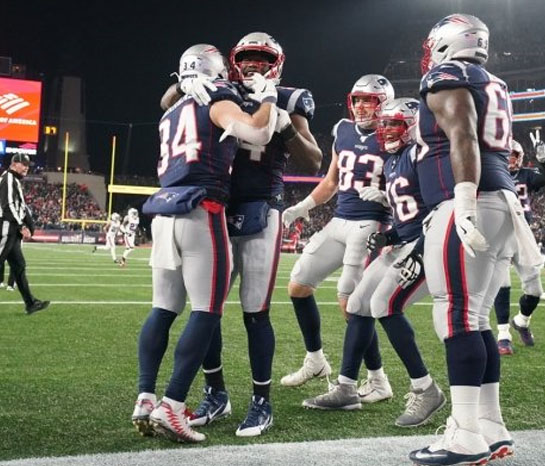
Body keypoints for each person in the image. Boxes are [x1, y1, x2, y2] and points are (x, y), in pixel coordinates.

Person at [166, 32, 322, 436]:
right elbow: (166, 104)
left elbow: (314, 160)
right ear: (234, 61)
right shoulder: (219, 89)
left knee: (255, 311)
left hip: (260, 208)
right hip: (217, 207)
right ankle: (216, 393)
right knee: (208, 309)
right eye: (247, 57)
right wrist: (183, 84)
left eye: (261, 58)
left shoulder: (287, 98)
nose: (253, 64)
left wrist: (286, 127)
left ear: (276, 63)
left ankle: (261, 401)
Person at [408, 14, 540, 465]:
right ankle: (490, 425)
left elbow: (462, 133)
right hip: (501, 201)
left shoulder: (447, 76)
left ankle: (464, 434)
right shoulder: (493, 82)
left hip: (467, 199)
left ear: (445, 43)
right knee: (478, 317)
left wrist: (463, 201)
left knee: (457, 316)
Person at [131, 43, 278, 443]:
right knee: (207, 310)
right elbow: (258, 131)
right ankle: (173, 405)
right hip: (202, 208)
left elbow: (171, 100)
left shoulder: (171, 110)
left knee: (163, 308)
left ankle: (145, 396)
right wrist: (267, 97)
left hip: (164, 211)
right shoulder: (216, 96)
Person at [302, 98, 446, 427]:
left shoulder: (422, 156)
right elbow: (409, 214)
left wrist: (421, 250)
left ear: (412, 125)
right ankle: (346, 388)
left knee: (384, 304)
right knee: (357, 305)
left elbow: (438, 210)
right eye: (384, 125)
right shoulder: (393, 160)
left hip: (426, 244)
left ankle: (426, 389)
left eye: (394, 124)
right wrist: (388, 236)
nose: (387, 131)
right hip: (404, 241)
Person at [281, 74, 395, 402]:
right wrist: (303, 206)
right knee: (299, 286)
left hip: (371, 223)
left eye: (369, 101)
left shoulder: (395, 134)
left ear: (384, 104)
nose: (361, 107)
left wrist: (388, 198)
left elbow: (409, 181)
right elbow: (331, 181)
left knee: (351, 305)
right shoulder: (342, 129)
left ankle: (377, 380)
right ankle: (315, 361)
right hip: (340, 219)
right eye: (357, 100)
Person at [493, 134, 545, 355]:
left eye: (513, 155)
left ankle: (522, 321)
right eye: (506, 155)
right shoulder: (491, 173)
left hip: (522, 232)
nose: (510, 159)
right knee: (502, 283)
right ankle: (503, 335)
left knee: (535, 290)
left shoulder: (526, 175)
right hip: (498, 233)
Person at [0, 154, 50, 314]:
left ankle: (30, 303)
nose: (26, 167)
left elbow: (19, 206)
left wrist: (27, 224)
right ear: (14, 164)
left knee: (19, 265)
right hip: (6, 225)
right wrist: (22, 225)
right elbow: (8, 205)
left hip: (12, 228)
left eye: (28, 165)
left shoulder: (13, 180)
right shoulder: (8, 179)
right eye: (23, 164)